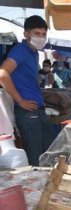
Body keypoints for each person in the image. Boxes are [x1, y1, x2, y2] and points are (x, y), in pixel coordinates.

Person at [0, 15, 52, 166]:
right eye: (37, 33)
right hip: (28, 114)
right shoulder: (20, 50)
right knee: (36, 160)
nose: (41, 37)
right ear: (26, 34)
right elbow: (2, 74)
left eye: (43, 34)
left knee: (47, 157)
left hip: (38, 110)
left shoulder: (34, 53)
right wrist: (20, 100)